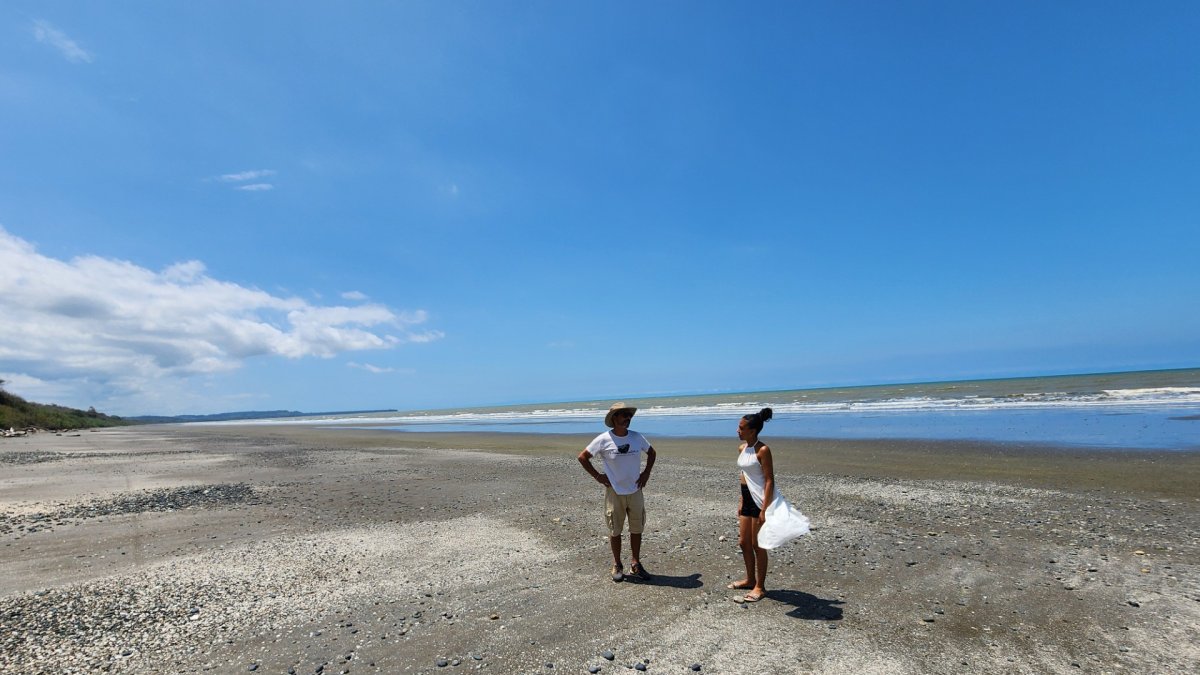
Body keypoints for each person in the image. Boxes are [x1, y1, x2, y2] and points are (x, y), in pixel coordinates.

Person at [578, 402, 656, 582]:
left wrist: (646, 473)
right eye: (623, 415)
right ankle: (617, 564)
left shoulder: (637, 438)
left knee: (637, 528)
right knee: (615, 530)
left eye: (629, 416)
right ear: (614, 418)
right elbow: (583, 457)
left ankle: (636, 563)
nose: (627, 418)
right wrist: (598, 476)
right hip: (614, 492)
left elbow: (652, 453)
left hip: (635, 490)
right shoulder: (603, 439)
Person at [729, 407, 775, 602]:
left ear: (752, 431)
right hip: (746, 497)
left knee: (758, 544)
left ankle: (760, 586)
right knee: (744, 542)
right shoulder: (742, 448)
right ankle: (749, 579)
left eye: (741, 428)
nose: (737, 431)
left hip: (760, 500)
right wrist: (741, 500)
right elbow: (744, 475)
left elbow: (769, 480)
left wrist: (765, 508)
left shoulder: (763, 450)